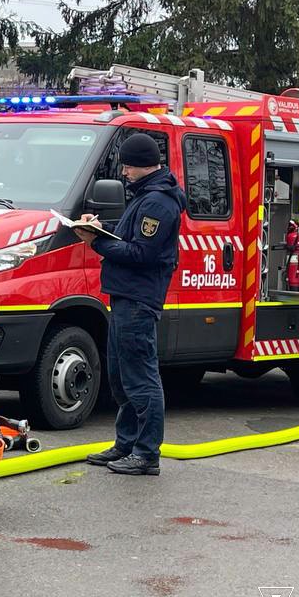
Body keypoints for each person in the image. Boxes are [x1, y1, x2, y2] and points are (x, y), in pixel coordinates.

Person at [75, 132, 185, 476]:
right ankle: (126, 444)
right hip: (126, 296)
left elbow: (140, 253)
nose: (123, 172)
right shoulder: (145, 197)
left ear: (141, 165)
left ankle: (146, 453)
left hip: (138, 299)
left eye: (127, 165)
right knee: (121, 377)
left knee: (141, 378)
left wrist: (96, 243)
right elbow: (129, 234)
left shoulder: (157, 202)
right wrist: (101, 227)